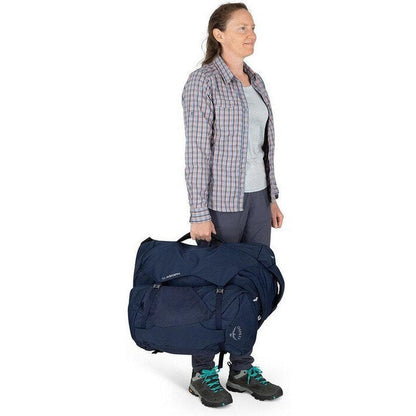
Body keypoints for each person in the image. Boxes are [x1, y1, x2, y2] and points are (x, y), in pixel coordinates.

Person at [181, 2, 284, 408]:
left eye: (253, 27)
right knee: (213, 288)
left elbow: (264, 147)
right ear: (218, 34)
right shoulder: (203, 81)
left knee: (251, 288)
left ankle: (241, 369)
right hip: (220, 204)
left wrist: (271, 197)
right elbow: (196, 152)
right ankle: (202, 372)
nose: (251, 34)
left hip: (258, 201)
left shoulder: (256, 81)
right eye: (242, 27)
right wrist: (198, 213)